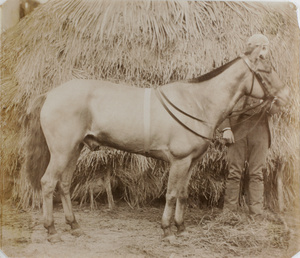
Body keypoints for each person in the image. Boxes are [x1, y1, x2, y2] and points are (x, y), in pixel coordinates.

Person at [220, 34, 279, 216]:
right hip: (238, 127)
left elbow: (278, 105)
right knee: (234, 172)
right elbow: (222, 101)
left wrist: (272, 103)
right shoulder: (237, 69)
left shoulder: (269, 72)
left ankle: (256, 212)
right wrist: (226, 128)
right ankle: (229, 213)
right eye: (258, 48)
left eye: (264, 49)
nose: (261, 52)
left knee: (257, 173)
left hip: (260, 127)